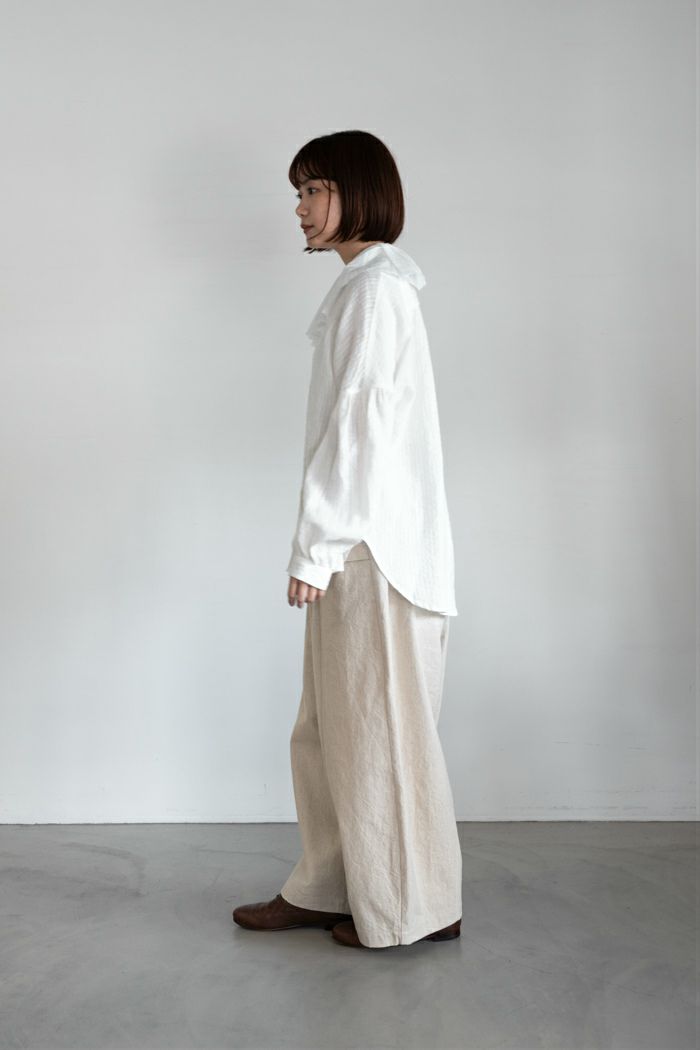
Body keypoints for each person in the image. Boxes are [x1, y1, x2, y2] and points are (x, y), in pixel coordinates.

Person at [233, 130, 462, 949]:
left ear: (357, 193)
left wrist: (318, 547)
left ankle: (411, 908)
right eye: (298, 192)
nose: (299, 208)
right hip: (362, 548)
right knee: (332, 728)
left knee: (379, 734)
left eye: (314, 189)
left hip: (374, 552)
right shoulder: (366, 288)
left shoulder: (376, 293)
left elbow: (361, 431)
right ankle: (331, 885)